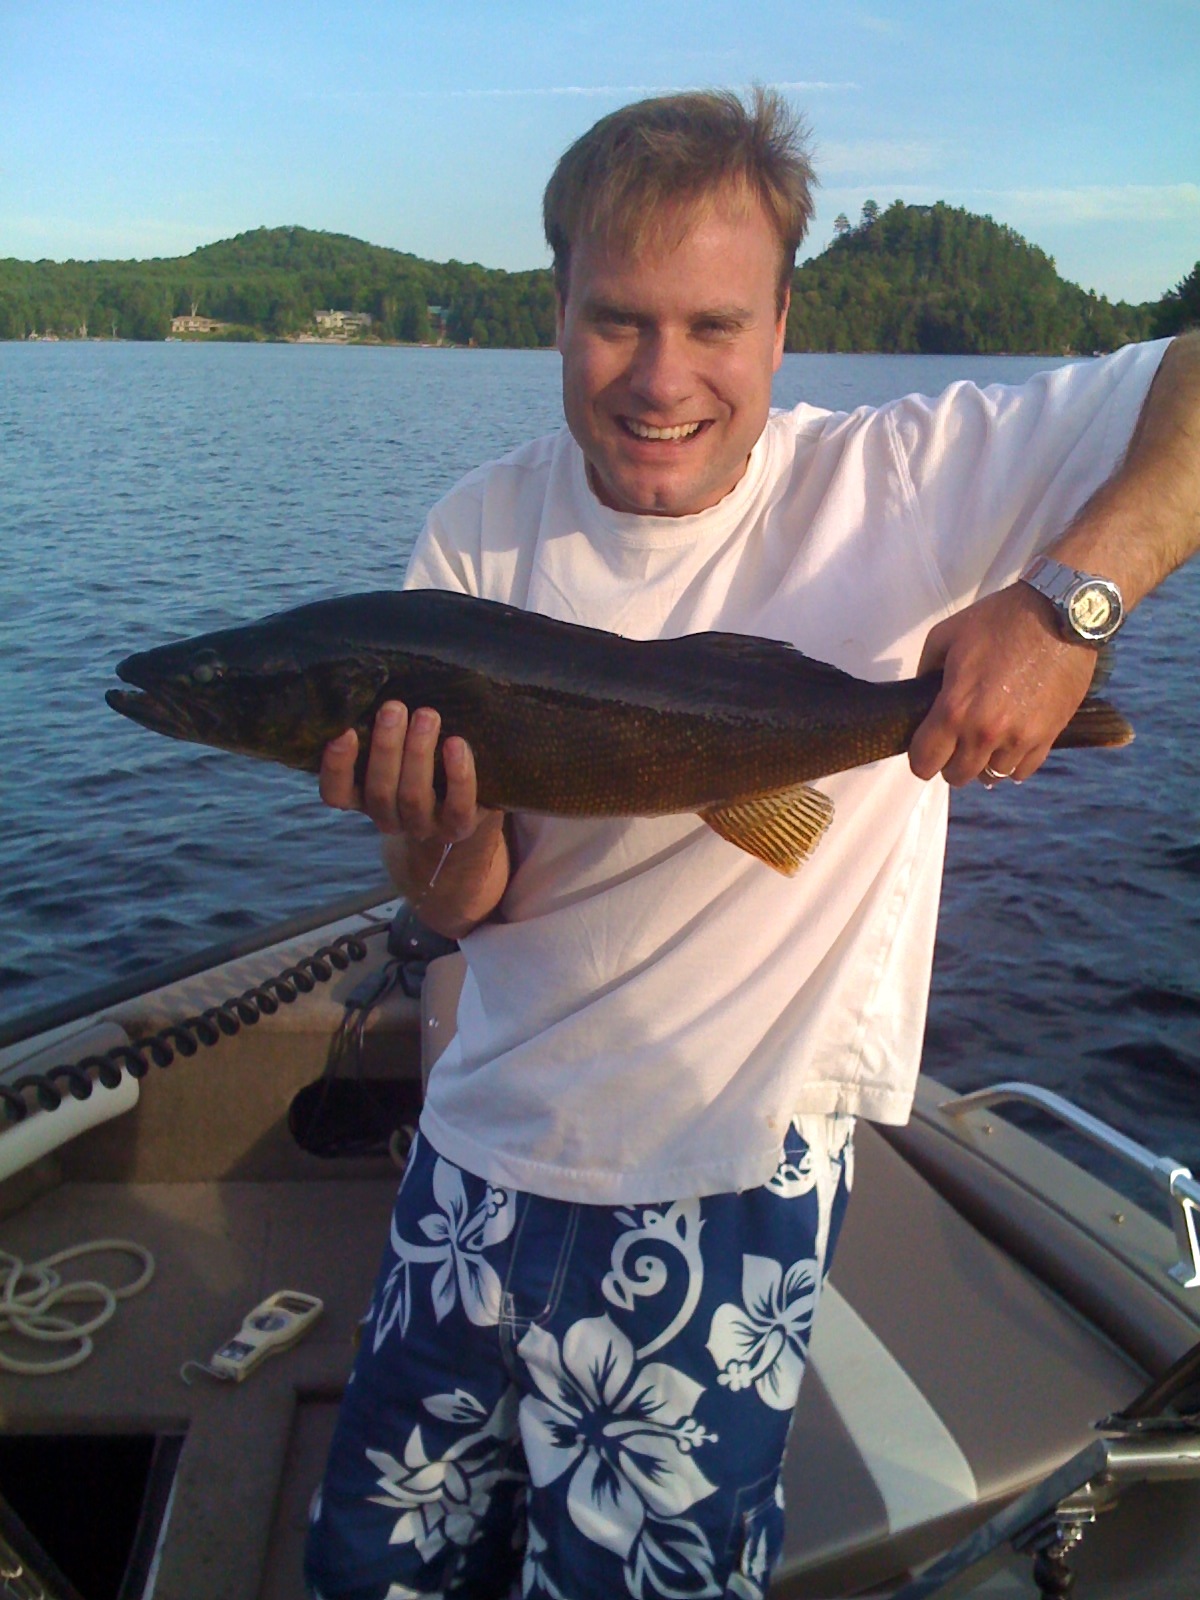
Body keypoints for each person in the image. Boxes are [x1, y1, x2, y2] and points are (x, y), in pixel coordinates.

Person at [305, 89, 1200, 1600]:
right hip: (474, 1152)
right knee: (375, 1569)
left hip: (723, 1176)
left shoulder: (909, 480)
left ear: (785, 324)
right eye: (618, 323)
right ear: (557, 311)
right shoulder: (476, 533)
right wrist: (427, 842)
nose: (664, 379)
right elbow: (478, 902)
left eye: (714, 326)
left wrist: (1070, 607)